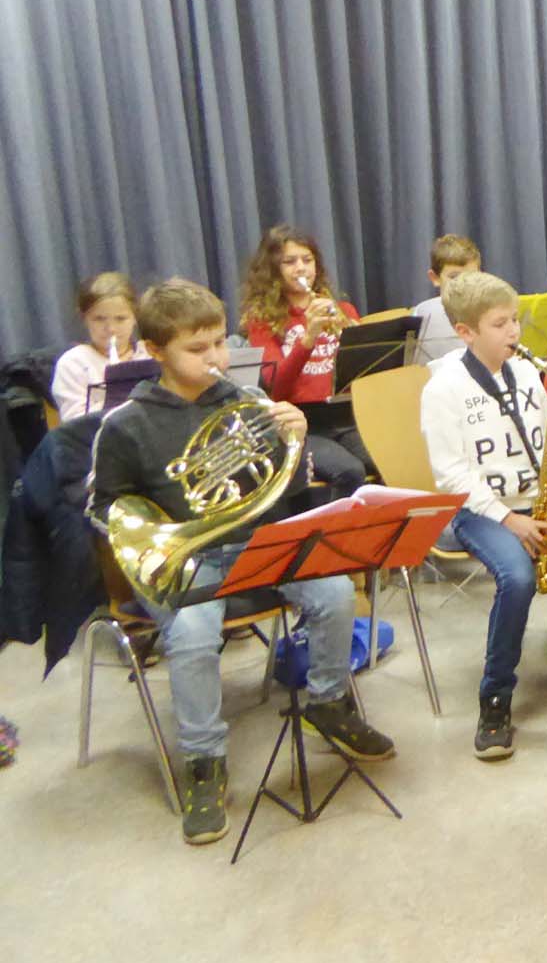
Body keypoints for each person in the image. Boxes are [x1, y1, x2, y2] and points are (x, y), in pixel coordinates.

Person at [89, 279, 393, 844]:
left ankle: (328, 702)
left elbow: (284, 493)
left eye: (218, 344)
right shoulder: (127, 424)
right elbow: (105, 506)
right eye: (196, 349)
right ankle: (204, 759)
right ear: (155, 351)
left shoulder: (247, 401)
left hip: (259, 541)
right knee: (193, 635)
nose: (215, 359)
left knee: (333, 594)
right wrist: (154, 536)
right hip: (189, 558)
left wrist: (294, 443)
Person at [421, 271, 547, 760]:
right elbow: (450, 475)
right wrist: (509, 520)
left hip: (538, 498)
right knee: (517, 578)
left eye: (514, 320)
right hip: (479, 511)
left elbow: (545, 438)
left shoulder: (529, 372)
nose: (514, 331)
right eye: (499, 324)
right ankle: (495, 697)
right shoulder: (443, 389)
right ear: (465, 332)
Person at [238, 224, 372, 496]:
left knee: (388, 458)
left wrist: (357, 343)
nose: (301, 268)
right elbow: (276, 387)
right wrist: (308, 337)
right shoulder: (261, 321)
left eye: (307, 260)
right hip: (303, 424)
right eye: (289, 262)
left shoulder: (343, 309)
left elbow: (362, 376)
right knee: (349, 471)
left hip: (347, 416)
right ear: (273, 269)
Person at [52, 272, 147, 421]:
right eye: (99, 319)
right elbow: (74, 423)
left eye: (120, 319)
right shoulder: (73, 363)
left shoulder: (150, 354)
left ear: (135, 317)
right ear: (84, 318)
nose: (111, 329)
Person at [411, 234, 482, 366]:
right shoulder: (422, 314)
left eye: (471, 276)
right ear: (435, 278)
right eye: (454, 277)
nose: (463, 284)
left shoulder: (489, 310)